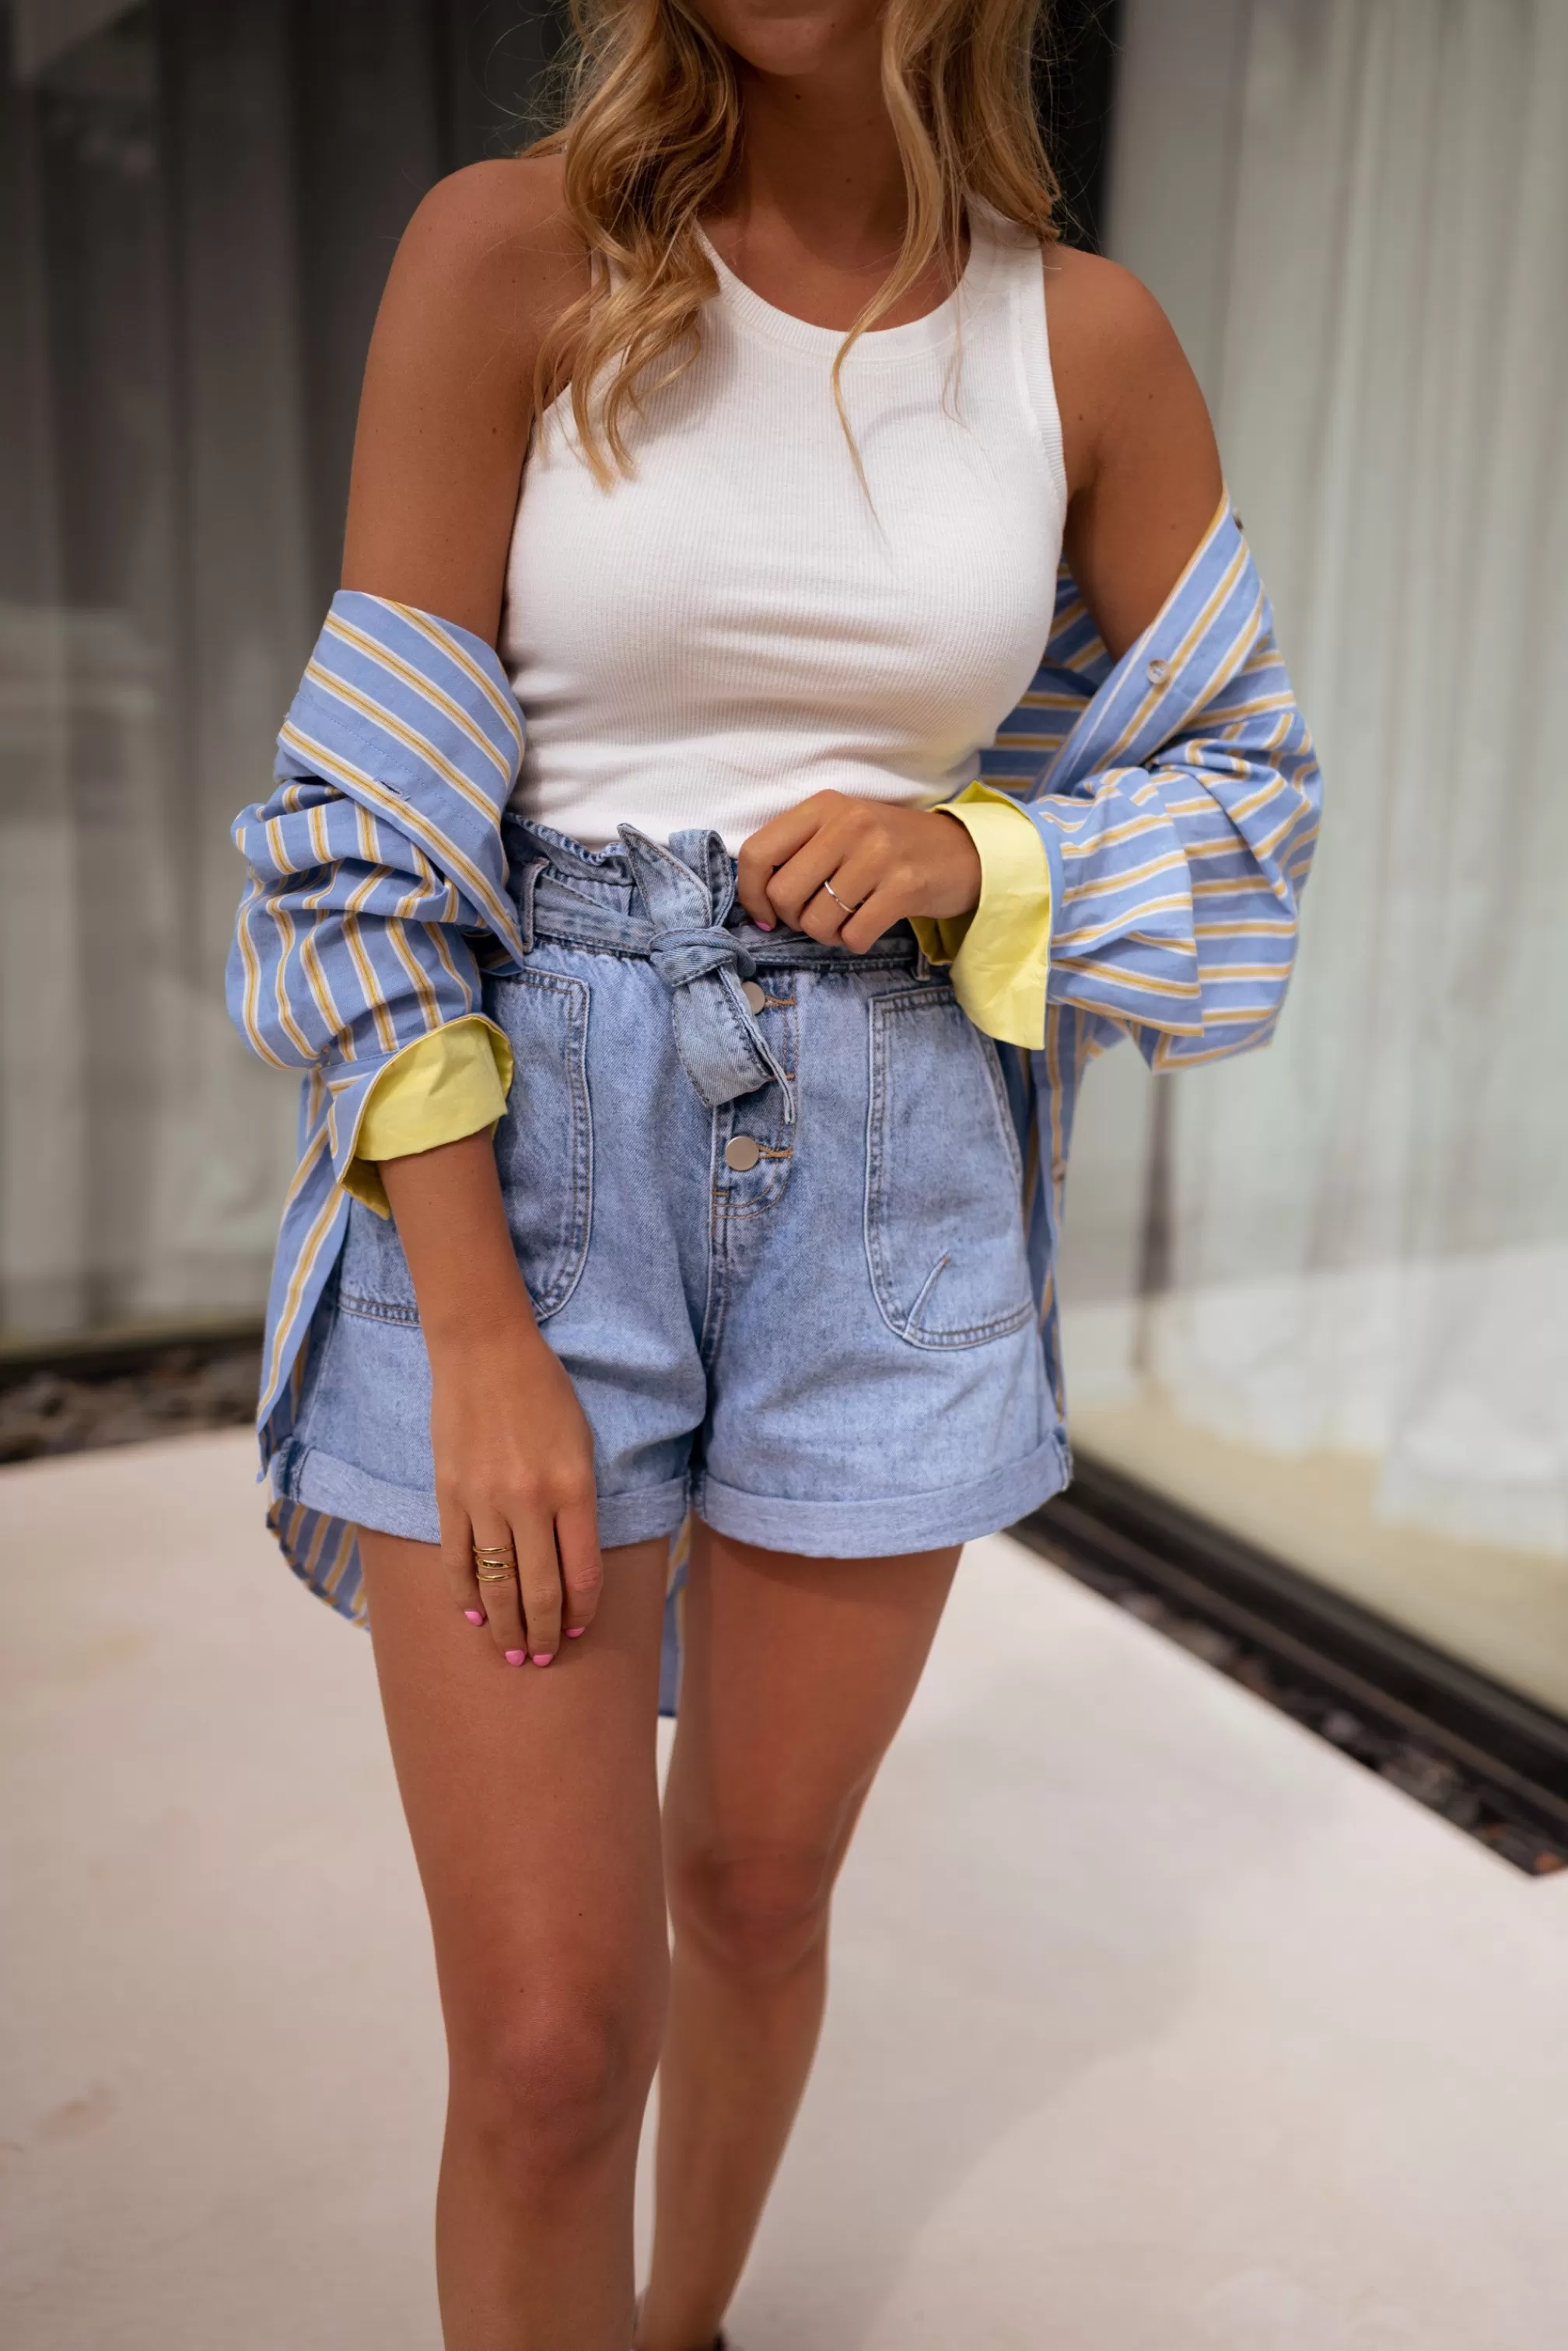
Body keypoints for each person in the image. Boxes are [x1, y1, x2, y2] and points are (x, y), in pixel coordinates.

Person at [227, 0, 1318, 2342]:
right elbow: (365, 835)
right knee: (546, 2050)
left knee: (753, 1894)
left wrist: (978, 850)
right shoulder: (512, 257)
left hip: (894, 1189)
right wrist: (481, 1336)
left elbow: (1251, 801)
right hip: (525, 1176)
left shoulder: (1084, 344)